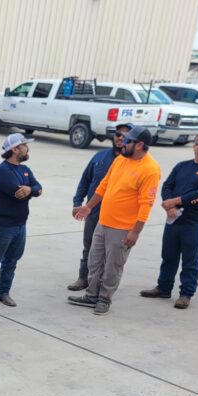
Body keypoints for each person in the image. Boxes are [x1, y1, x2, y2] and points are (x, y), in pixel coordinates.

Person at [69, 126, 161, 316]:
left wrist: (135, 232)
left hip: (123, 228)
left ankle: (104, 299)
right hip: (103, 222)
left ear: (139, 145)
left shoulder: (150, 169)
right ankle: (91, 295)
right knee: (95, 261)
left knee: (113, 266)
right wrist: (89, 206)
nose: (122, 143)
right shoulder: (120, 159)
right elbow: (104, 185)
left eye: (127, 140)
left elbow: (146, 204)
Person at [139, 133, 198, 309]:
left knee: (190, 260)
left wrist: (176, 201)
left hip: (193, 223)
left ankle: (186, 294)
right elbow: (167, 185)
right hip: (173, 220)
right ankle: (163, 287)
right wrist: (169, 207)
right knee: (168, 256)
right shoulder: (182, 166)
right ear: (194, 145)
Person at [0, 133, 42, 309]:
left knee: (11, 261)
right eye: (24, 145)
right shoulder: (2, 171)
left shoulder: (24, 169)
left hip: (20, 225)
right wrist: (31, 191)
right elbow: (17, 194)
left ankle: (2, 292)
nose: (27, 148)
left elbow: (38, 187)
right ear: (15, 149)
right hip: (2, 225)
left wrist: (31, 190)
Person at [68, 124, 131, 291]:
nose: (120, 138)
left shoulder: (131, 163)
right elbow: (85, 180)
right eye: (118, 134)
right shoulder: (99, 156)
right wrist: (77, 202)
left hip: (116, 216)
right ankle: (84, 278)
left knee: (111, 252)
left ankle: (103, 285)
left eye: (125, 136)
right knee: (89, 245)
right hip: (94, 211)